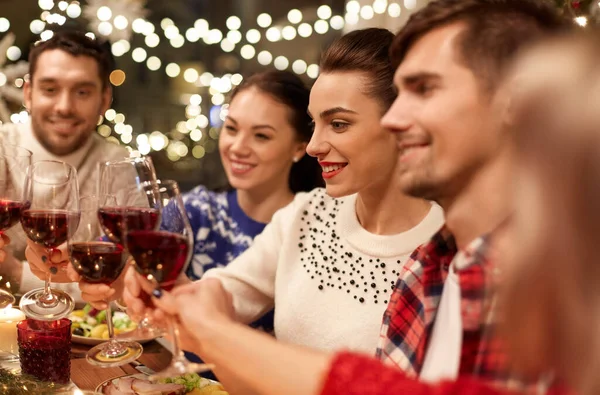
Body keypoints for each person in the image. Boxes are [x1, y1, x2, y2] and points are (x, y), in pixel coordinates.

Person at [119, 27, 444, 358]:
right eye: (314, 124)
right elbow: (229, 289)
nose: (315, 145)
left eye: (339, 124)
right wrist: (166, 292)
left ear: (402, 123)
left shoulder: (449, 248)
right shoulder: (307, 213)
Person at [76, 70, 324, 336]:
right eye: (231, 128)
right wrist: (98, 281)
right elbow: (112, 258)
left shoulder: (313, 227)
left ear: (300, 147)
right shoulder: (195, 210)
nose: (238, 147)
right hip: (178, 374)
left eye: (261, 136)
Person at [0, 30, 128, 297]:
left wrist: (16, 273)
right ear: (28, 94)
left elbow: (131, 287)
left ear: (104, 100)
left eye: (82, 92)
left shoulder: (122, 166)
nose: (64, 106)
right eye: (49, 89)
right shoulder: (2, 148)